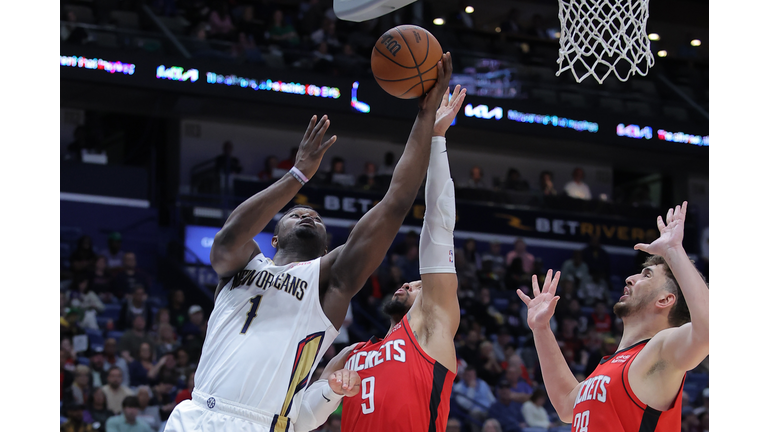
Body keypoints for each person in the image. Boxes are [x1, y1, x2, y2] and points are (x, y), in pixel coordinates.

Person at [164, 54, 455, 432]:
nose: (308, 215)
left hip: (258, 423)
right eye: (296, 213)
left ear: (324, 247)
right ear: (273, 236)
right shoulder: (242, 263)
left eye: (316, 218)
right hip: (195, 412)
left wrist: (425, 116)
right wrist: (297, 175)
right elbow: (227, 238)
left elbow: (396, 201)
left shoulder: (329, 279)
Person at [282, 83, 467, 432]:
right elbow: (301, 416)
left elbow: (440, 225)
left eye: (417, 284)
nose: (408, 283)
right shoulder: (351, 353)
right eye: (410, 281)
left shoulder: (430, 329)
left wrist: (437, 138)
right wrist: (330, 392)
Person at [517, 202, 708, 431]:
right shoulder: (610, 365)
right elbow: (567, 404)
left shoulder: (661, 348)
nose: (630, 278)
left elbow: (708, 332)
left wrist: (673, 250)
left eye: (646, 275)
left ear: (665, 300)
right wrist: (541, 329)